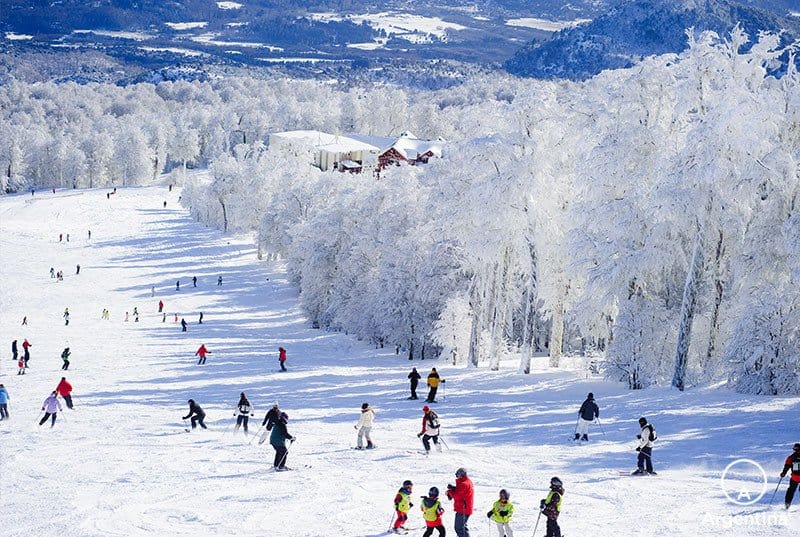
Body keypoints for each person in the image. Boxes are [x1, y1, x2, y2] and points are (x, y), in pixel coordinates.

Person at [447, 467, 474, 537]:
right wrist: (453, 488)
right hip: (464, 508)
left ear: (462, 475)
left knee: (459, 528)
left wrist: (449, 492)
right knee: (462, 527)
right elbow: (461, 491)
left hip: (463, 509)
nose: (457, 477)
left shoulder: (464, 484)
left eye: (458, 475)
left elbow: (457, 495)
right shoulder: (466, 482)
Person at [780, 442, 800, 509]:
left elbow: (787, 466)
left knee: (791, 490)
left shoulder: (791, 457)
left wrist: (783, 473)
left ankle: (787, 505)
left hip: (795, 477)